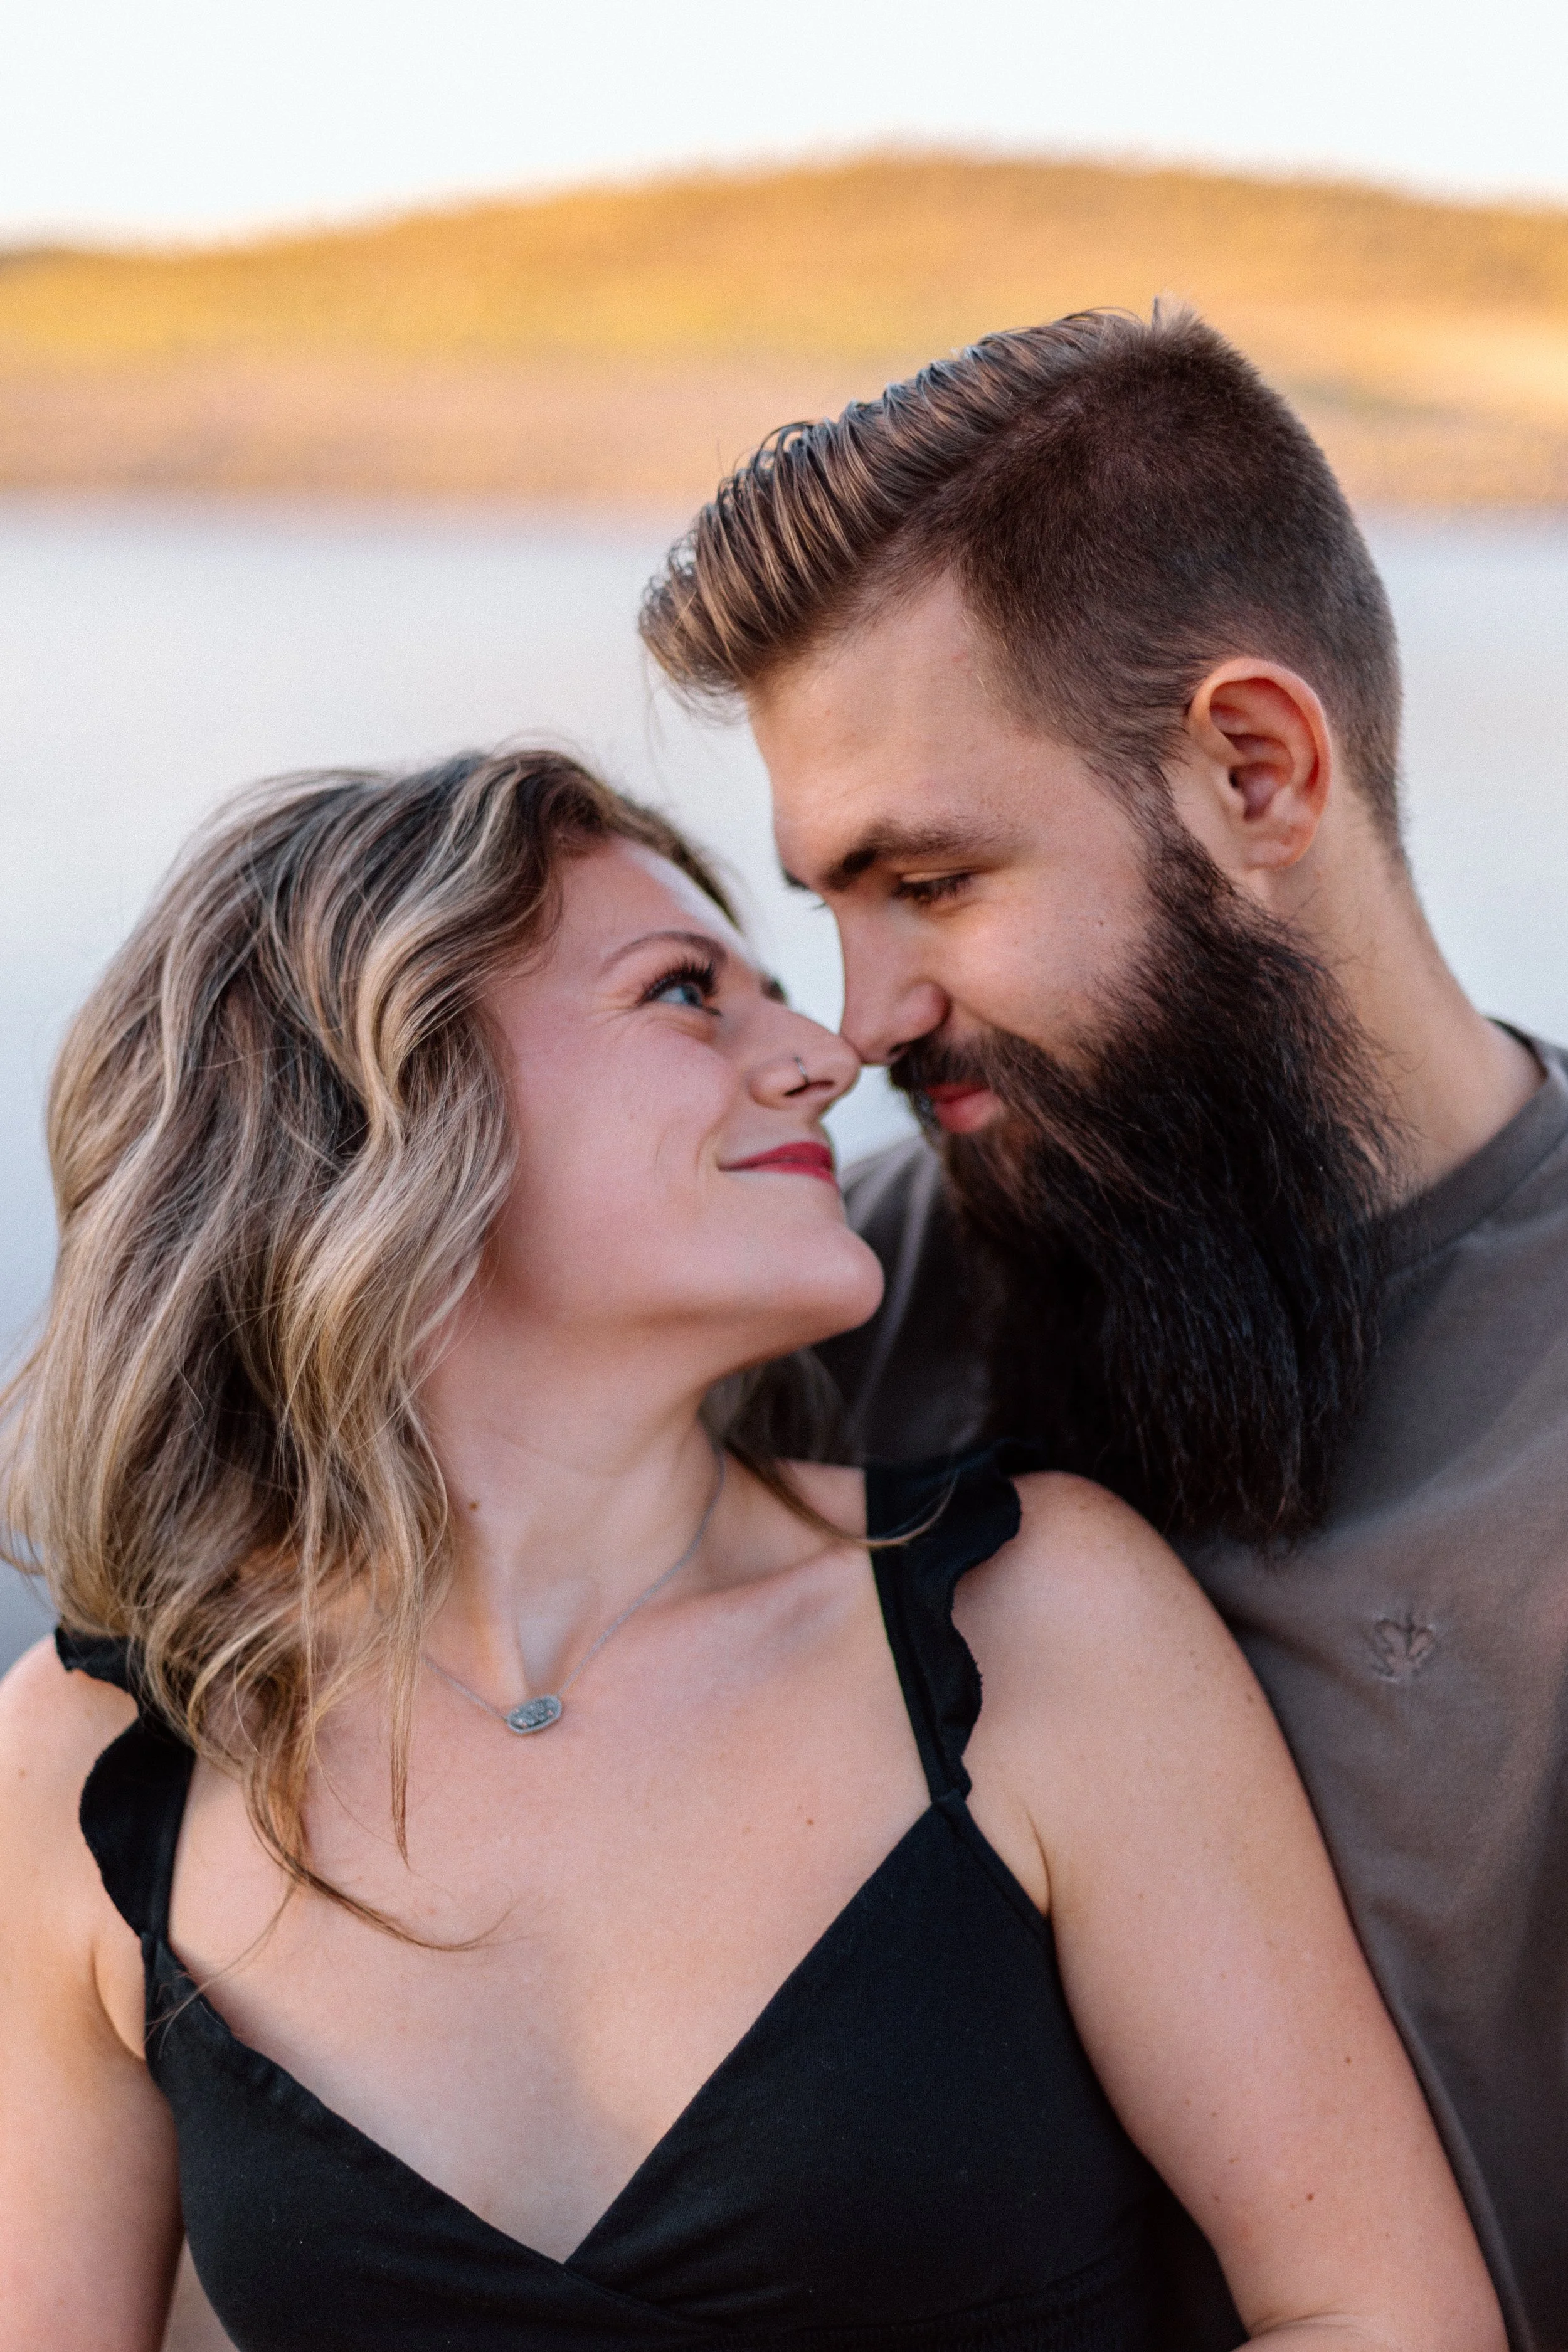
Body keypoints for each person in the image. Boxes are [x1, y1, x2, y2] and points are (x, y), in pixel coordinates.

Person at [0, 750, 1498, 2352]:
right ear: (385, 1098)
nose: (823, 1054)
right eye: (682, 996)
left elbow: (1377, 2314)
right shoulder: (96, 1760)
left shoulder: (1029, 1618)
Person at [638, 306, 1568, 2349]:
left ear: (1257, 770)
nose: (858, 1015)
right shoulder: (816, 1331)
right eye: (826, 904)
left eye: (935, 880)